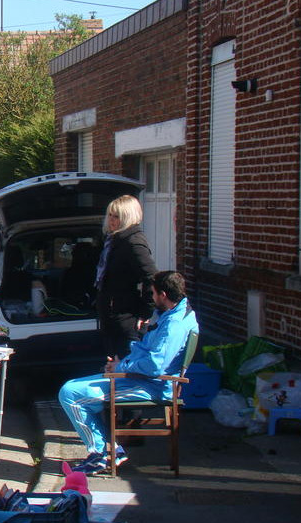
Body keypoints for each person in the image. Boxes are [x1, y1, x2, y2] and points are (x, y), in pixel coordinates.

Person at [58, 270, 198, 475]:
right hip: (141, 378)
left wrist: (121, 367)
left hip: (153, 386)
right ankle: (110, 450)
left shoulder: (174, 325)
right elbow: (148, 353)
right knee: (72, 387)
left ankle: (100, 454)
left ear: (163, 295)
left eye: (153, 293)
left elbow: (155, 365)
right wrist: (122, 362)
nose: (152, 298)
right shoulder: (173, 314)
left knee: (71, 395)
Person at [94, 195, 157, 361]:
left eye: (117, 216)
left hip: (126, 318)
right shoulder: (113, 240)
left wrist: (145, 313)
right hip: (111, 315)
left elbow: (151, 277)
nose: (112, 220)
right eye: (110, 215)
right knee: (113, 365)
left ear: (128, 217)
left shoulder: (133, 242)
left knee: (127, 366)